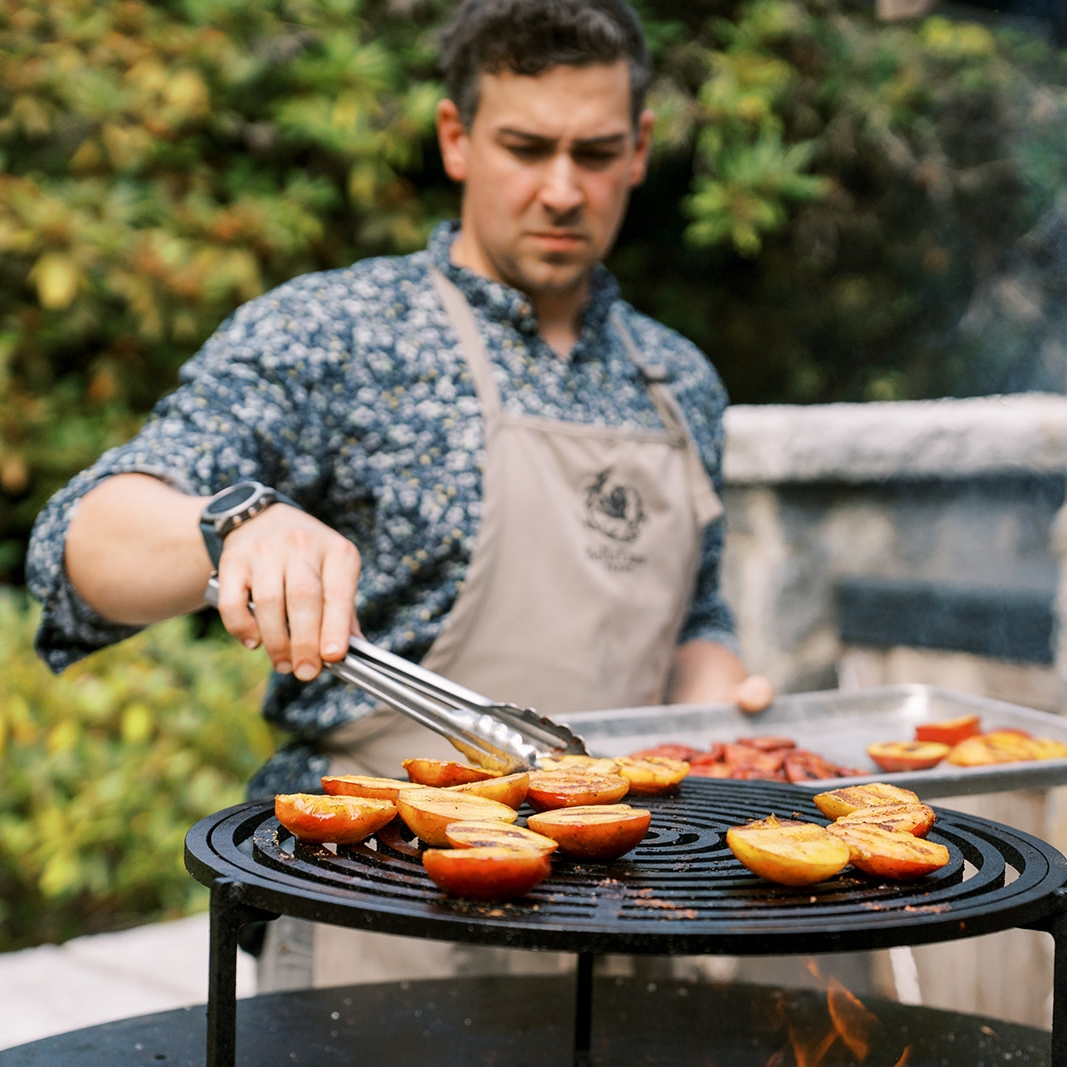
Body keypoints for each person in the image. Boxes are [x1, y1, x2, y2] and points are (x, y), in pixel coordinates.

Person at [27, 0, 772, 989]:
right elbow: (78, 545)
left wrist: (718, 711)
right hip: (379, 913)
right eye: (525, 146)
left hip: (621, 908)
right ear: (456, 137)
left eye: (593, 153)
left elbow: (694, 615)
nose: (561, 189)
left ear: (637, 149)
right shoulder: (336, 333)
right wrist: (234, 525)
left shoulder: (677, 380)